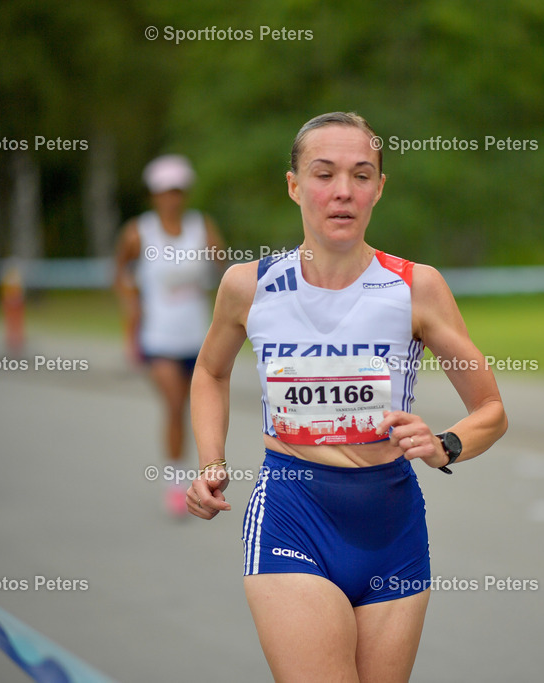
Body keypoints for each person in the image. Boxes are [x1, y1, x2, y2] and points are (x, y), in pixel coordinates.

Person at [188, 112, 507, 681]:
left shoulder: (416, 287)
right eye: (323, 173)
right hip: (292, 512)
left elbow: (491, 410)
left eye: (361, 175)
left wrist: (443, 445)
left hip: (392, 523)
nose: (342, 191)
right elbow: (210, 372)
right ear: (293, 186)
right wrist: (211, 459)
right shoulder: (249, 286)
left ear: (379, 188)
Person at [114, 155, 225, 516]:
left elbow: (225, 273)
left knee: (200, 411)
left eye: (177, 191)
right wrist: (132, 313)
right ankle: (177, 483)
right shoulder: (138, 232)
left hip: (198, 339)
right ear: (153, 195)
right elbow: (120, 273)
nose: (171, 198)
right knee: (176, 404)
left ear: (185, 193)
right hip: (158, 339)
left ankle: (204, 474)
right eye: (164, 192)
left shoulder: (201, 227)